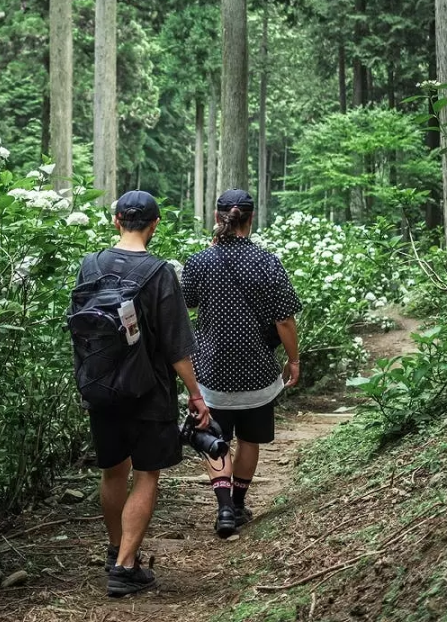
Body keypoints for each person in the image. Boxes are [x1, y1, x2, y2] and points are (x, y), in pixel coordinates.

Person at [75, 190, 210, 598]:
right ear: (154, 225)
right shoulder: (160, 272)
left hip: (99, 385)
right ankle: (123, 568)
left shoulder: (90, 264)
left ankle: (119, 550)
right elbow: (176, 345)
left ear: (116, 220)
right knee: (146, 472)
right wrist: (197, 396)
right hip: (147, 390)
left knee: (113, 469)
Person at [180, 188, 301, 538]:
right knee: (250, 440)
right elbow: (284, 321)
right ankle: (237, 503)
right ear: (251, 218)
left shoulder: (199, 261)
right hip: (257, 373)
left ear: (218, 218)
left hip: (211, 371)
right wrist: (293, 360)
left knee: (215, 439)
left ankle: (223, 511)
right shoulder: (268, 262)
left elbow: (185, 306)